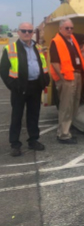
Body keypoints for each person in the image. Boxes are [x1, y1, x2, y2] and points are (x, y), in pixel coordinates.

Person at [0, 22, 50, 156]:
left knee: (34, 115)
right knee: (17, 116)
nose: (27, 33)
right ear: (19, 32)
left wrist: (45, 80)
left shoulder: (38, 47)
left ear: (33, 32)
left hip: (35, 86)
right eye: (24, 30)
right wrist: (13, 85)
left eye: (29, 31)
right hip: (19, 88)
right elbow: (4, 71)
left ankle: (33, 140)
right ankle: (15, 144)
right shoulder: (10, 48)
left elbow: (43, 65)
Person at [49, 19, 84, 144]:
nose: (69, 30)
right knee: (66, 106)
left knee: (74, 104)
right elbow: (55, 63)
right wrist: (63, 79)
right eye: (67, 28)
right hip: (67, 78)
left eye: (71, 28)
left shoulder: (73, 38)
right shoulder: (56, 42)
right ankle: (63, 134)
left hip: (77, 75)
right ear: (60, 29)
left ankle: (67, 129)